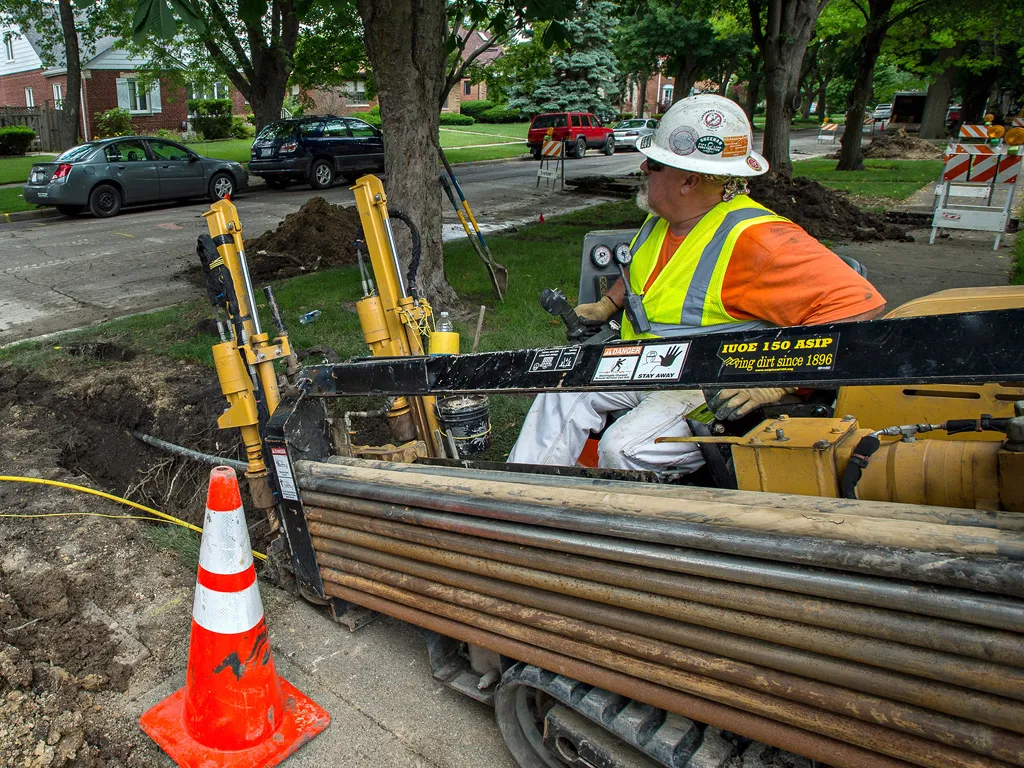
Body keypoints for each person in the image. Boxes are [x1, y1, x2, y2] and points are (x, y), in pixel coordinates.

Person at [508, 94, 886, 473]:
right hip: (646, 364)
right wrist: (608, 304)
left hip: (706, 380)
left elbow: (861, 303)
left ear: (688, 180)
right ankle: (514, 499)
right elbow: (645, 274)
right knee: (560, 393)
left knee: (623, 448)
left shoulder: (756, 241)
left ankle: (622, 527)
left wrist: (778, 380)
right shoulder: (666, 220)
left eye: (654, 164)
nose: (643, 166)